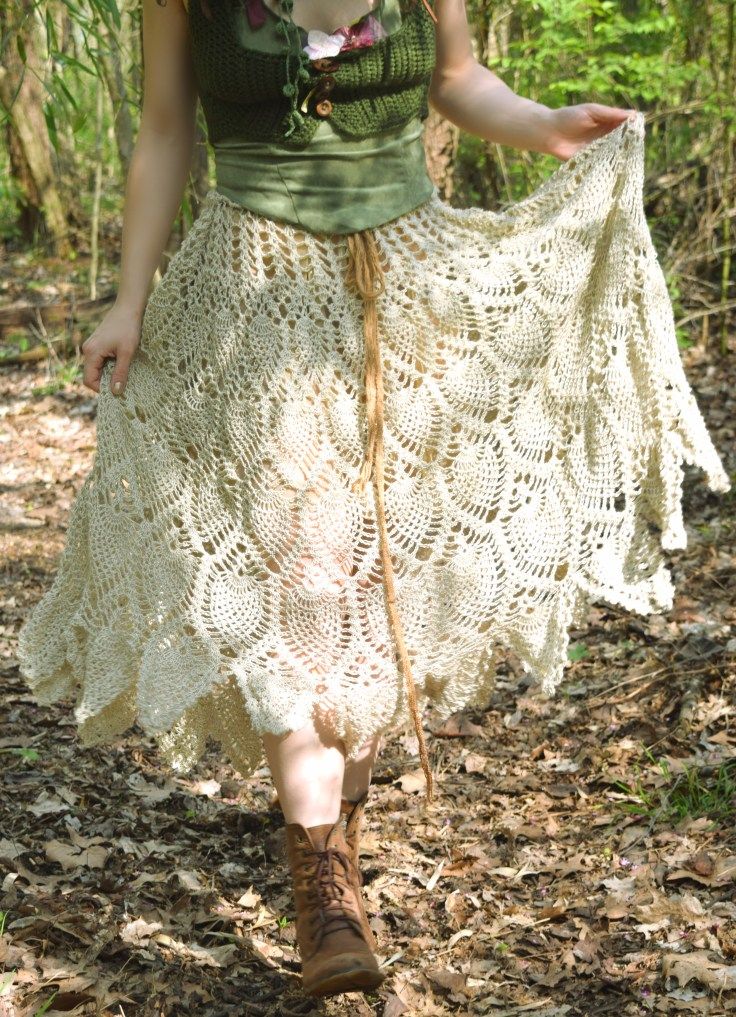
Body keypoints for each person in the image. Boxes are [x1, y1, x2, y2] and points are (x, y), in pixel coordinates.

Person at [17, 0, 730, 999]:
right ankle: (327, 890)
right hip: (251, 298)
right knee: (300, 576)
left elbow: (454, 78)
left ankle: (336, 830)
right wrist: (130, 297)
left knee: (368, 574)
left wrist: (541, 124)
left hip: (408, 286)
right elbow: (167, 127)